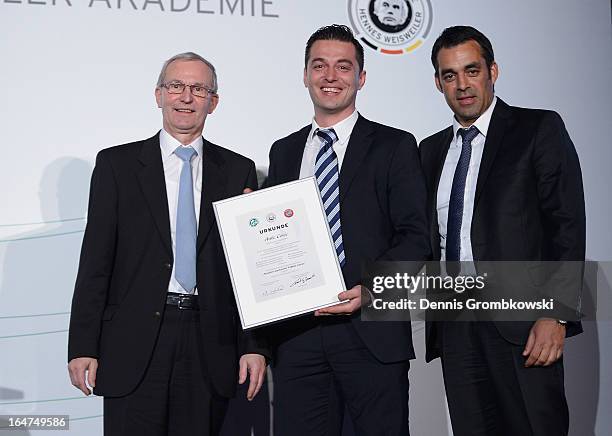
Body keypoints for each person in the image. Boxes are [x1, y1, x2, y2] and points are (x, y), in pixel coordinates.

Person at [67, 52, 268, 436]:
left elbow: (249, 269)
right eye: (176, 86)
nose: (186, 97)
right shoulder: (117, 166)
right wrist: (82, 345)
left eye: (198, 88)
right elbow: (95, 262)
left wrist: (254, 344)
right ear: (158, 94)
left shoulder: (238, 170)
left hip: (209, 341)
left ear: (214, 101)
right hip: (133, 341)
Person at [264, 24, 430, 436]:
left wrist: (371, 290)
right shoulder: (283, 151)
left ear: (361, 77)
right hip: (298, 336)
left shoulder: (395, 145)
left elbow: (416, 237)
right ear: (305, 75)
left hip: (371, 332)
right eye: (319, 66)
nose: (330, 76)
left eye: (343, 66)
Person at [419, 26, 585, 436]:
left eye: (471, 71)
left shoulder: (537, 129)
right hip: (456, 326)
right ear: (438, 82)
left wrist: (556, 313)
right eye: (450, 75)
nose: (462, 85)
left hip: (525, 325)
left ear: (493, 71)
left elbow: (566, 225)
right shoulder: (429, 150)